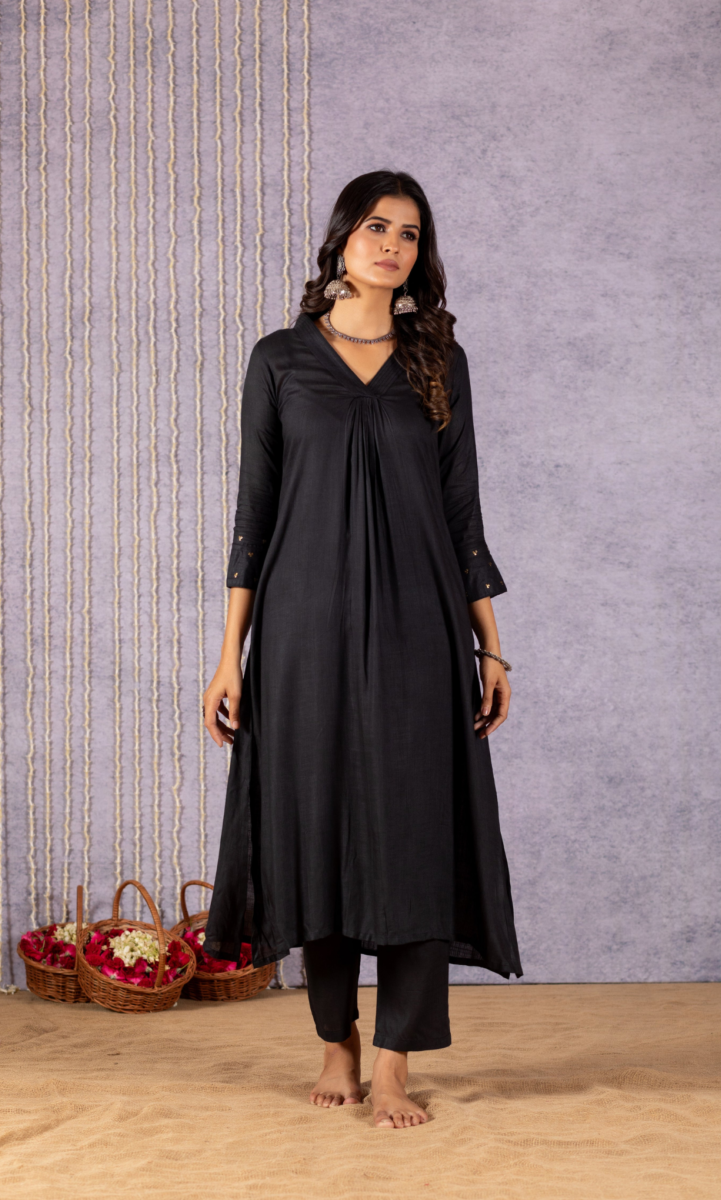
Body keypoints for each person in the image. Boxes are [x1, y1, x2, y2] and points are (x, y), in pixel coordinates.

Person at [203, 170, 522, 1129]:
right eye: (377, 227)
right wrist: (229, 656)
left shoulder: (439, 360)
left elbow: (463, 513)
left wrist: (493, 651)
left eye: (410, 234)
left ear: (421, 255)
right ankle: (336, 1041)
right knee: (318, 827)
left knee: (415, 831)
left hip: (421, 627)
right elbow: (253, 516)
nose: (392, 245)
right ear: (343, 238)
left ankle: (394, 1065)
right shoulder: (279, 360)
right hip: (300, 629)